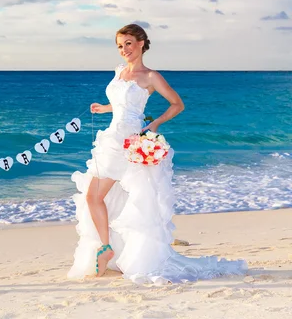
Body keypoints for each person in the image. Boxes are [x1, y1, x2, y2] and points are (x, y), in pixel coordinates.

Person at [67, 24, 247, 284]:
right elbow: (121, 105)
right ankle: (110, 248)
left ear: (141, 43)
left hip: (127, 142)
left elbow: (177, 104)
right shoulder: (119, 72)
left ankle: (107, 248)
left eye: (128, 43)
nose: (124, 50)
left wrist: (154, 124)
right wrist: (104, 108)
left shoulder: (150, 76)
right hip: (111, 137)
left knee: (95, 196)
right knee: (102, 197)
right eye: (119, 45)